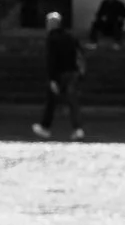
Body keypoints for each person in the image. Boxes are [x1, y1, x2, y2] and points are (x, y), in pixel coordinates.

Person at [33, 11, 86, 139]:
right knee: (73, 102)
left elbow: (51, 59)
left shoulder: (52, 38)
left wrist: (52, 78)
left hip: (60, 74)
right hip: (72, 72)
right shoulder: (70, 36)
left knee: (51, 101)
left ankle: (45, 127)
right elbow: (80, 52)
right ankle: (78, 129)